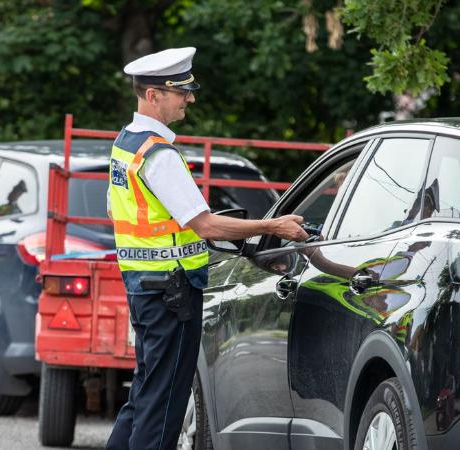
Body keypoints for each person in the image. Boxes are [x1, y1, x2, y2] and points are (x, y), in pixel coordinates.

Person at [105, 47, 308, 450]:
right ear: (153, 95)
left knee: (146, 392)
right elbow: (206, 224)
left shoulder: (126, 144)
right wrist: (274, 225)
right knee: (164, 403)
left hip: (146, 287)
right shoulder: (157, 155)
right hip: (171, 293)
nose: (190, 98)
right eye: (181, 91)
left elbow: (117, 211)